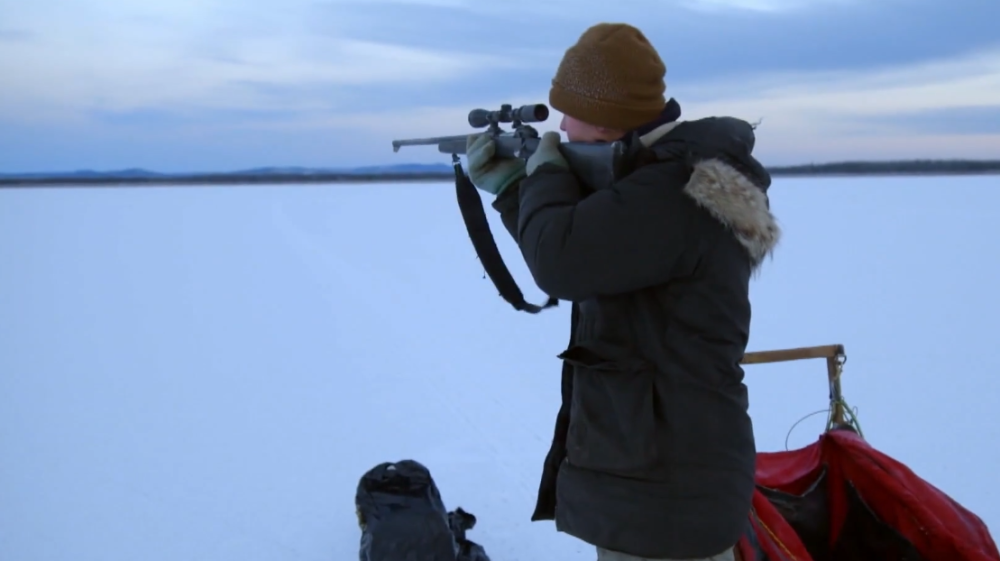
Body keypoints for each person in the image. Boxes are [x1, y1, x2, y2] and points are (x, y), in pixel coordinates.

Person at [464, 22, 781, 561]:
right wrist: (521, 190)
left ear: (610, 117)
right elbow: (579, 251)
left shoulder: (673, 190)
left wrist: (537, 179)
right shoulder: (653, 180)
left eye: (571, 111)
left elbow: (563, 262)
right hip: (658, 476)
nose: (560, 126)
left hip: (668, 494)